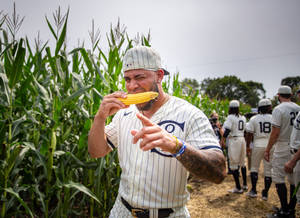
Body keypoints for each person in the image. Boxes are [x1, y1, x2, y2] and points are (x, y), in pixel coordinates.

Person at [88, 45, 226, 218]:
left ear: (159, 76)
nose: (132, 86)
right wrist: (100, 117)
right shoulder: (123, 114)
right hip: (122, 211)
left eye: (139, 77)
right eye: (127, 79)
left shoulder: (189, 114)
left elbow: (219, 172)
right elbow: (96, 152)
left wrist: (176, 146)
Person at [264, 85, 300, 218]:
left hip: (282, 145)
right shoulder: (298, 108)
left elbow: (275, 132)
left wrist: (268, 149)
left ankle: (284, 210)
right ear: (291, 95)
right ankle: (291, 209)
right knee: (293, 180)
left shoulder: (278, 109)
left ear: (279, 96)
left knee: (278, 178)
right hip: (295, 146)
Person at [245, 98, 273, 200]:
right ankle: (265, 193)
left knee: (254, 168)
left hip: (258, 144)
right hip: (270, 144)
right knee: (268, 170)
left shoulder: (254, 119)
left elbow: (249, 134)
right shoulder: (274, 117)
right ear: (270, 107)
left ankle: (253, 190)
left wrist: (248, 146)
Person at [222, 100, 248, 194]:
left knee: (233, 164)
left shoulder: (230, 117)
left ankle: (238, 187)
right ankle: (245, 184)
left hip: (234, 140)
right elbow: (245, 131)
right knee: (242, 163)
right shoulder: (243, 117)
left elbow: (227, 130)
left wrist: (222, 140)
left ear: (230, 108)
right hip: (242, 139)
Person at [284, 88, 300, 204]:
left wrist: (293, 160)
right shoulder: (298, 109)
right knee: (294, 184)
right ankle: (290, 210)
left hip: (297, 155)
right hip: (294, 152)